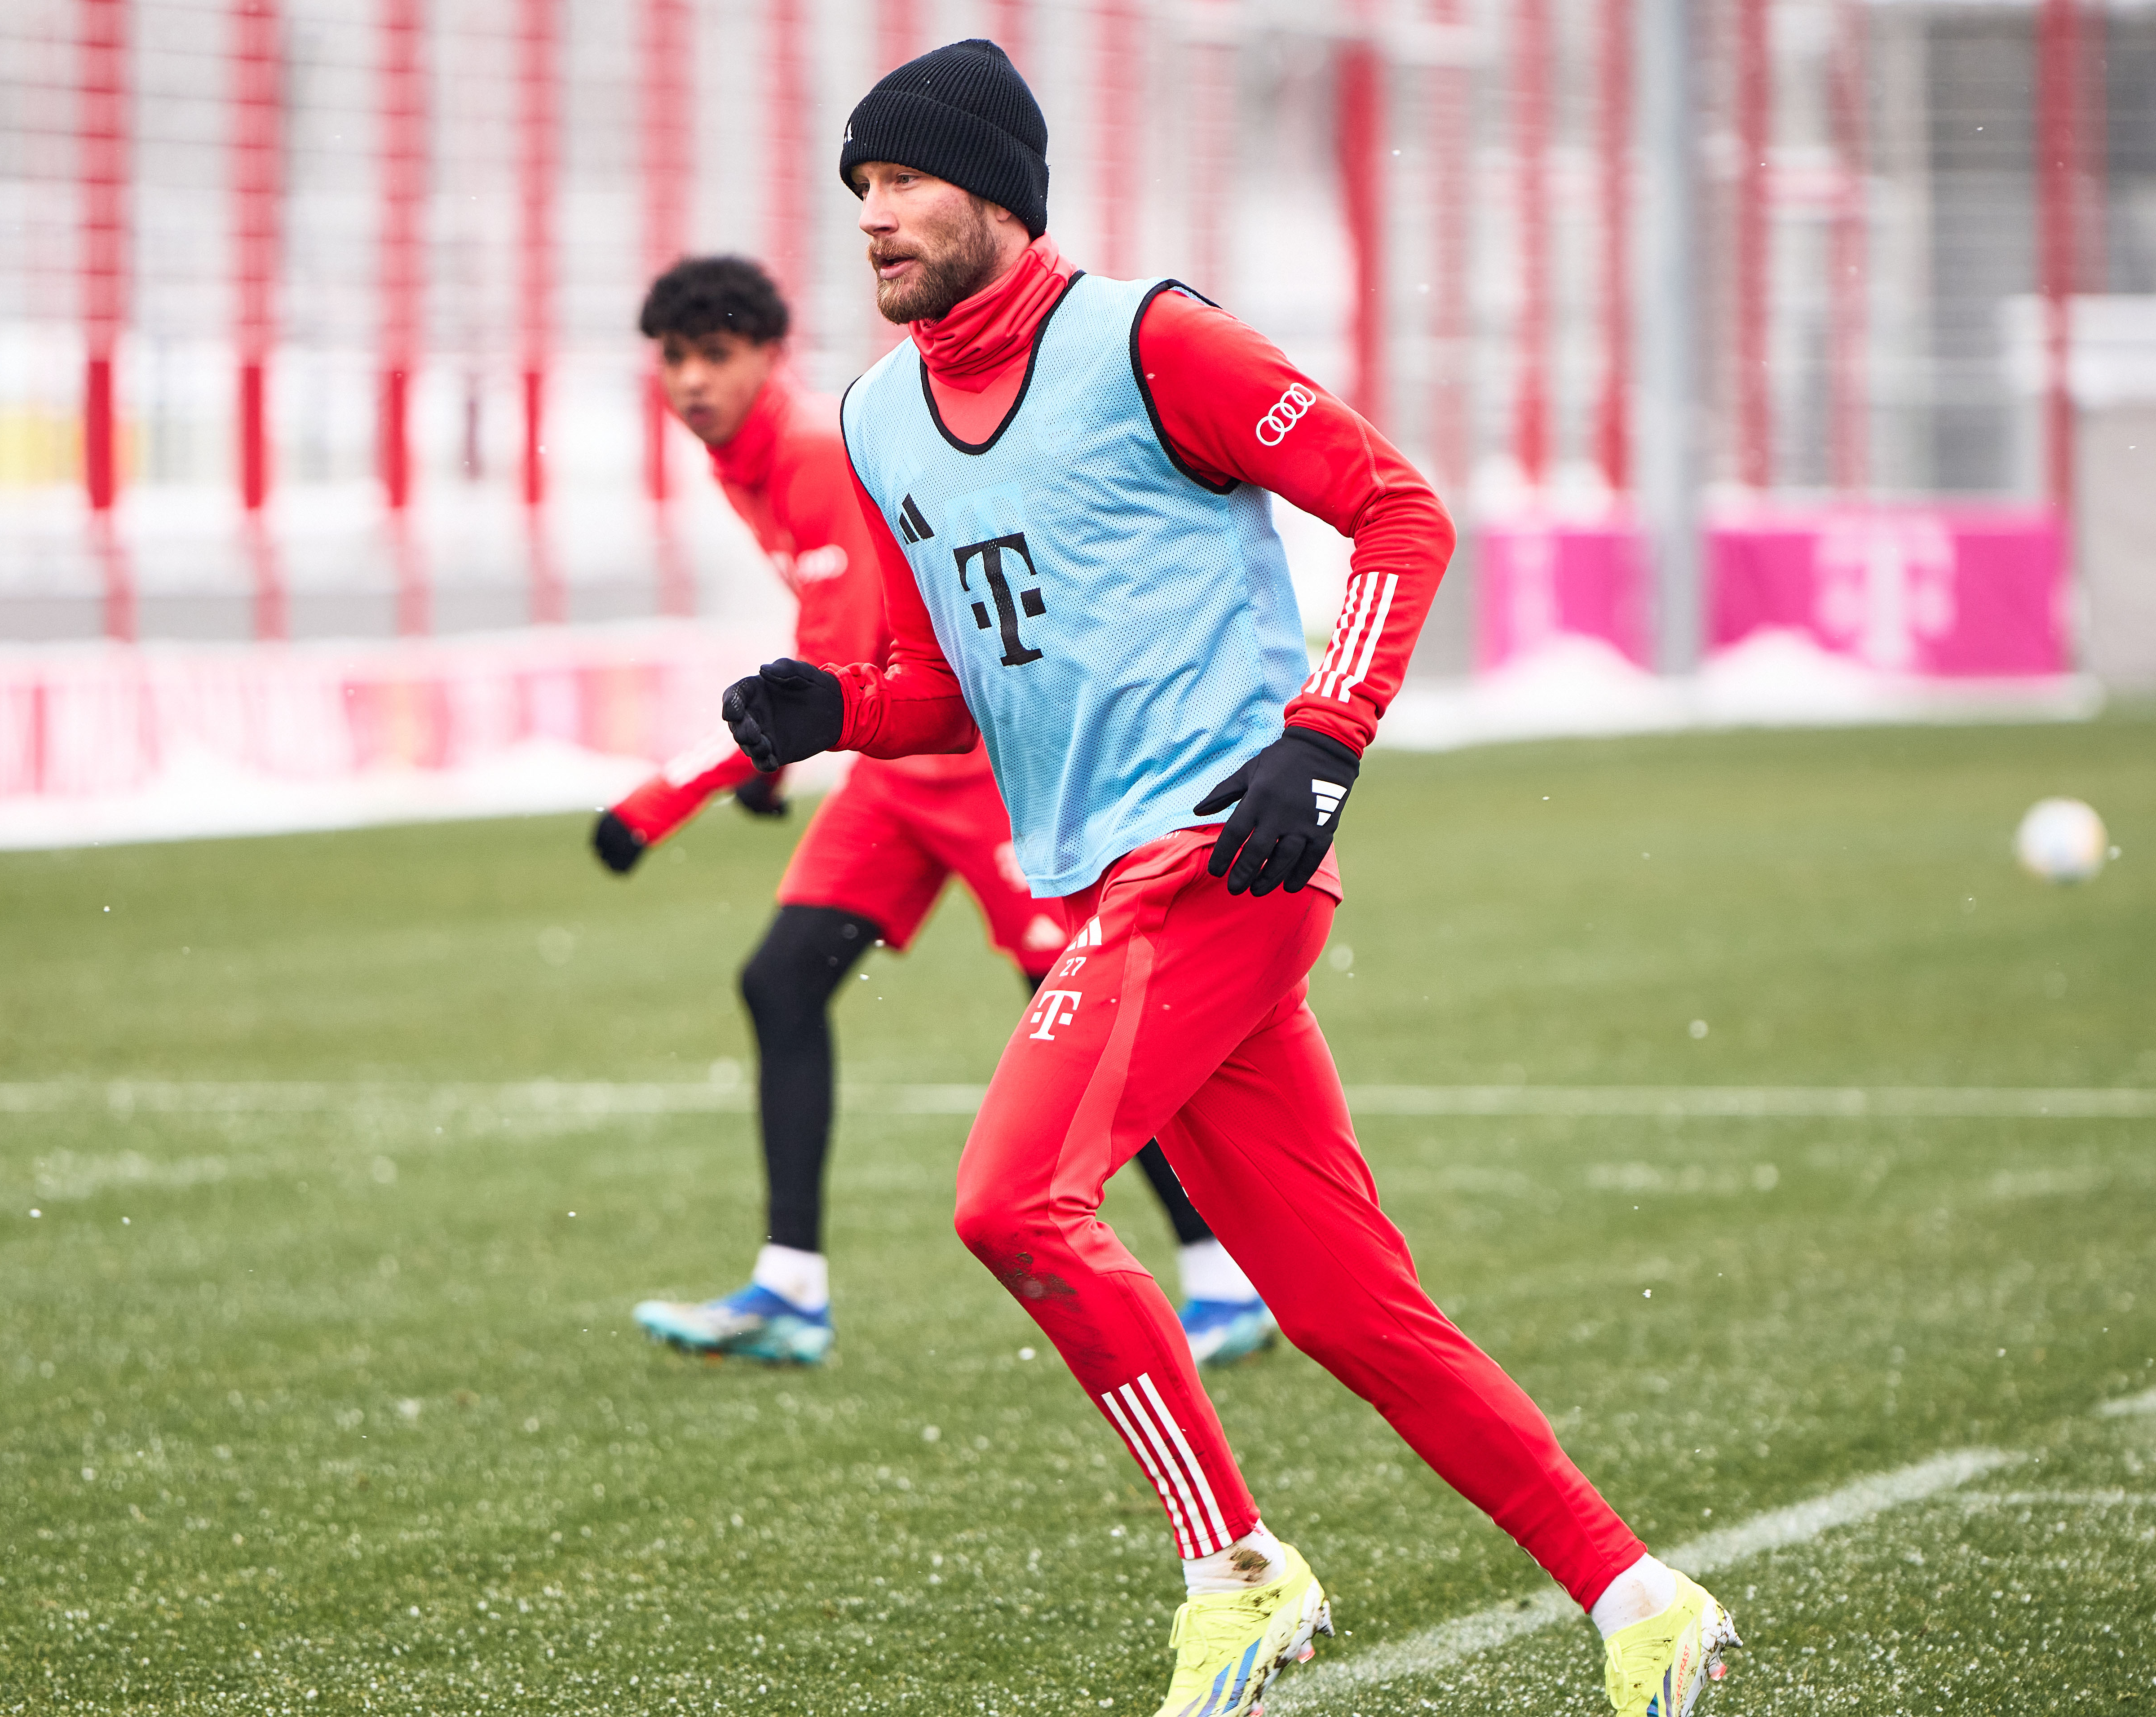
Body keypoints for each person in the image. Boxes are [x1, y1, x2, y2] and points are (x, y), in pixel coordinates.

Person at [720, 40, 1738, 1717]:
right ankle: (1639, 1599)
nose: (873, 217)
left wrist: (1324, 738)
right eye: (857, 191)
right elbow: (947, 685)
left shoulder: (1150, 341)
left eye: (901, 181)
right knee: (1351, 1310)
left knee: (1008, 1203)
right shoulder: (878, 415)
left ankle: (1238, 1567)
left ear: (992, 190)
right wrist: (835, 707)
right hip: (1113, 882)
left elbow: (1398, 512)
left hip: (1220, 853)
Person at [606, 255, 1277, 1372]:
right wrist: (772, 764)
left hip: (977, 776)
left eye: (713, 355)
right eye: (673, 359)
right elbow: (837, 655)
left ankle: (1218, 1277)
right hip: (892, 784)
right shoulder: (743, 462)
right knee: (779, 981)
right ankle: (789, 1288)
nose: (690, 382)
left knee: (1092, 1022)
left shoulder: (821, 455)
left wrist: (665, 799)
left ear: (768, 359)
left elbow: (841, 658)